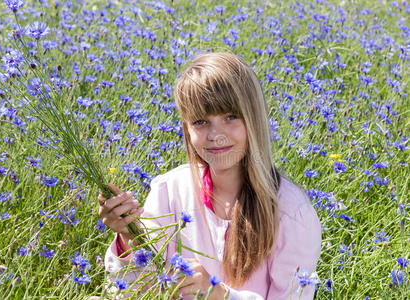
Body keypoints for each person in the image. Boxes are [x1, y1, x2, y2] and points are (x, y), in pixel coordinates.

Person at [98, 52, 321, 299]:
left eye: (230, 117)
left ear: (254, 119)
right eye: (201, 121)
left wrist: (217, 293)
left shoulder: (291, 213)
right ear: (186, 127)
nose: (215, 134)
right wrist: (129, 237)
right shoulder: (170, 191)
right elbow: (132, 292)